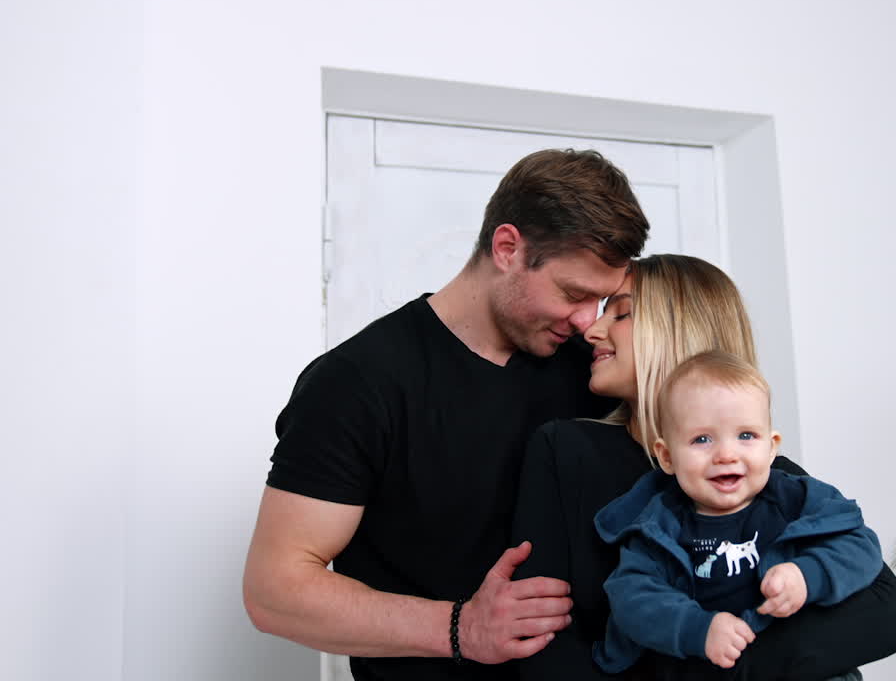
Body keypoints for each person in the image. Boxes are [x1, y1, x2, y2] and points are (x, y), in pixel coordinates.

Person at [242, 148, 650, 681]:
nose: (584, 321)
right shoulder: (358, 383)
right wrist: (461, 628)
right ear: (507, 248)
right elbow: (274, 591)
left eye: (601, 302)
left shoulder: (595, 371)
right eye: (573, 293)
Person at [511, 255, 896, 680]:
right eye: (701, 442)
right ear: (666, 457)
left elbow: (885, 615)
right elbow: (545, 639)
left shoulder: (773, 476)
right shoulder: (566, 450)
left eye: (622, 313)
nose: (591, 330)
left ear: (682, 328)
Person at [594, 350, 883, 674]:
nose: (726, 454)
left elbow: (861, 546)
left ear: (771, 446)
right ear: (667, 457)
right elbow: (632, 598)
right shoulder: (659, 525)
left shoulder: (797, 500)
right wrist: (697, 629)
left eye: (746, 435)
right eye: (702, 439)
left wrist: (807, 575)